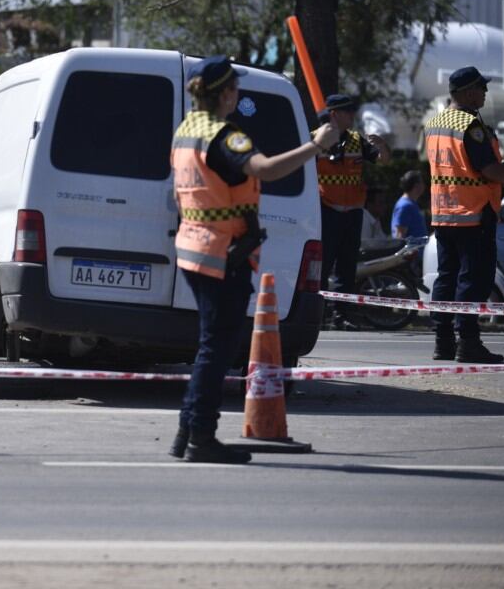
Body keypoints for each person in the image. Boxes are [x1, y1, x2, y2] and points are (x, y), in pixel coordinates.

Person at [169, 55, 339, 464]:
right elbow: (264, 169)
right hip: (222, 255)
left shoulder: (187, 130)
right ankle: (200, 438)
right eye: (235, 88)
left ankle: (186, 432)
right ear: (227, 93)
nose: (238, 93)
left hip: (194, 249)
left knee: (210, 346)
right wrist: (316, 146)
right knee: (216, 350)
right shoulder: (227, 136)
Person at [425, 66, 504, 363]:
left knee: (446, 277)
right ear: (467, 92)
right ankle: (468, 341)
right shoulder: (470, 126)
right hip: (473, 213)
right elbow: (488, 168)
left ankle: (443, 342)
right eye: (481, 87)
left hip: (443, 214)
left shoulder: (434, 123)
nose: (485, 92)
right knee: (474, 279)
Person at [317, 94, 391, 328]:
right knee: (322, 265)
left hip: (352, 213)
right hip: (327, 210)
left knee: (347, 267)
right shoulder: (316, 140)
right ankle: (316, 313)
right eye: (348, 112)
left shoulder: (357, 141)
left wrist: (382, 146)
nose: (352, 116)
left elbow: (383, 162)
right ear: (334, 114)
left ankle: (342, 315)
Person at [391, 170, 429, 241]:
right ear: (416, 185)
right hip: (413, 252)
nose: (424, 185)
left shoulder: (411, 204)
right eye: (422, 182)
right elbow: (400, 236)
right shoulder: (405, 206)